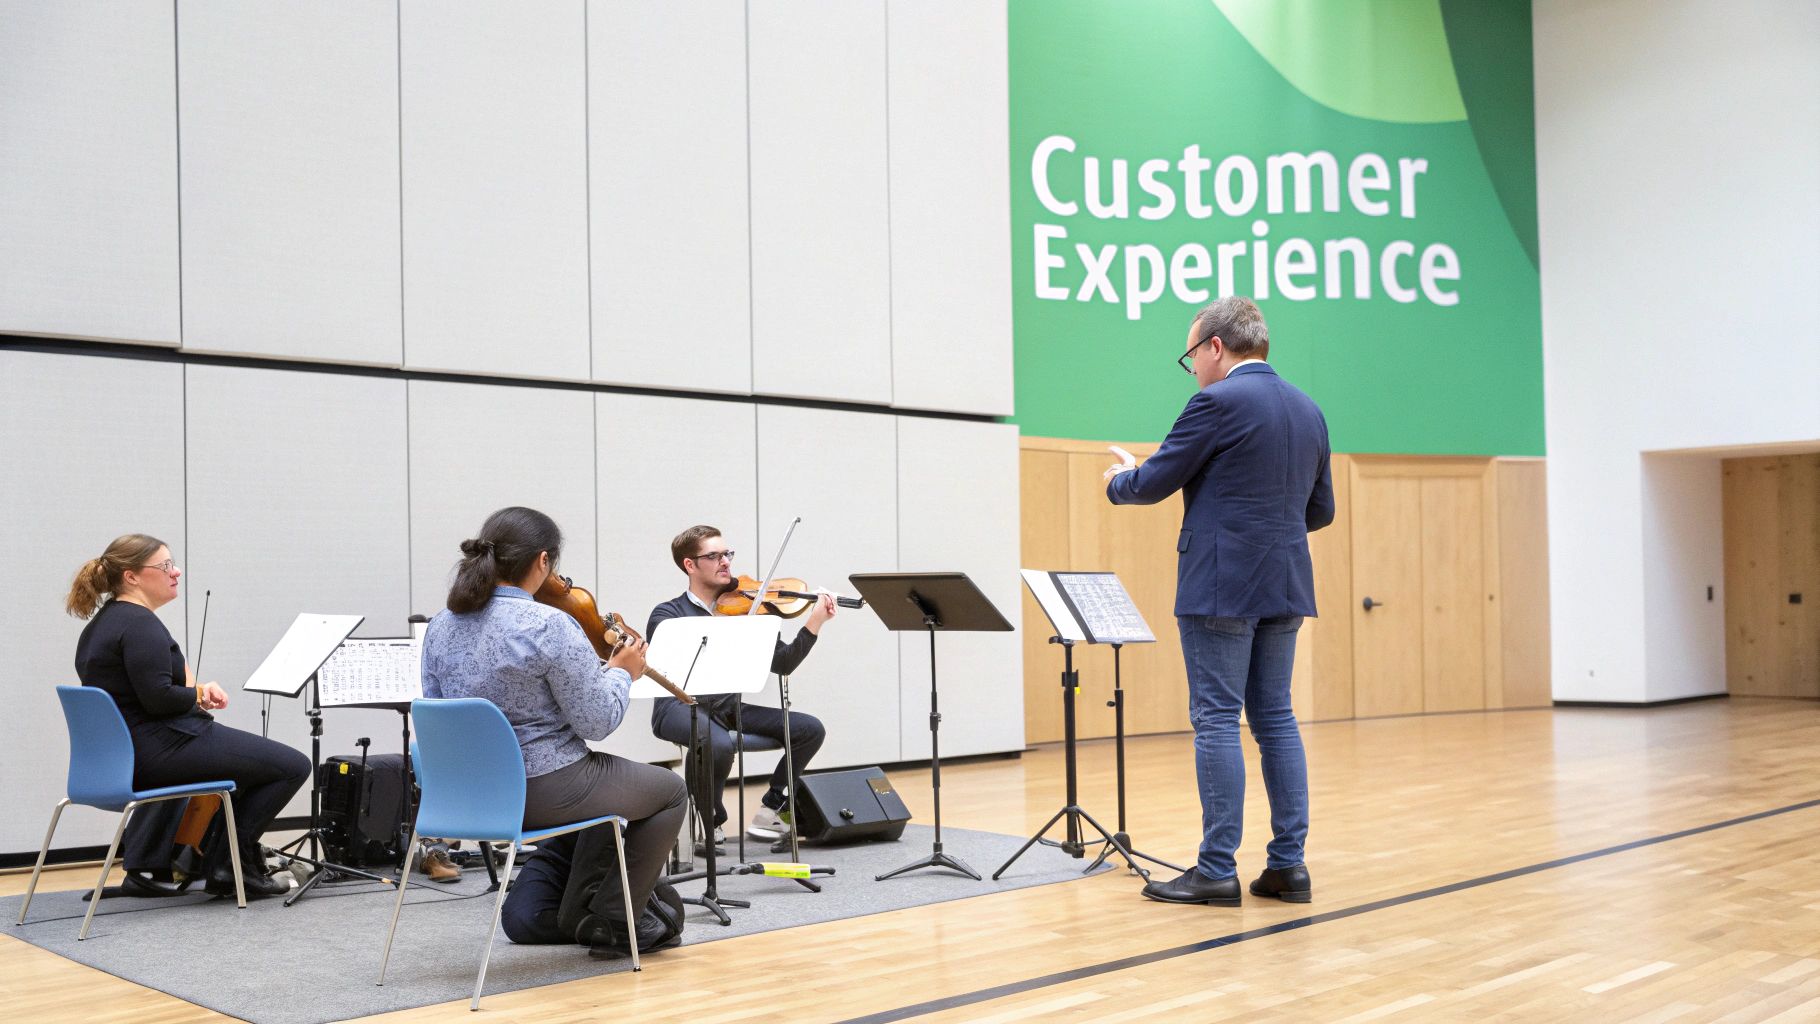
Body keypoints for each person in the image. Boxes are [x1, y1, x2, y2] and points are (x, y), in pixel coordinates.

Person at [1104, 297, 1334, 907]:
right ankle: (1289, 866)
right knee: (1276, 720)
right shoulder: (1309, 410)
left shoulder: (1215, 401)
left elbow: (1152, 484)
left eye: (1191, 356)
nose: (1194, 370)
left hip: (1220, 586)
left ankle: (1215, 869)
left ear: (1213, 346)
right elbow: (1321, 510)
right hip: (1284, 582)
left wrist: (1117, 482)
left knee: (1216, 718)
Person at [420, 506, 688, 956]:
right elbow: (597, 722)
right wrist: (622, 672)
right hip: (543, 790)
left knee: (609, 796)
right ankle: (618, 919)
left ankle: (590, 905)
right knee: (669, 792)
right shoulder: (549, 625)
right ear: (543, 562)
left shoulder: (441, 626)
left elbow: (440, 707)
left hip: (466, 796)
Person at [68, 533, 310, 898]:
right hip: (162, 748)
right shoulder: (138, 623)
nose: (176, 571)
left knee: (255, 765)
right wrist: (197, 693)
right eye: (165, 566)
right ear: (132, 576)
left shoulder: (102, 624)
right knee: (293, 766)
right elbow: (158, 699)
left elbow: (143, 694)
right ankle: (231, 866)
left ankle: (207, 863)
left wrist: (191, 693)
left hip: (129, 754)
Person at [648, 525, 834, 845]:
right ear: (689, 565)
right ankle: (710, 818)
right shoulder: (668, 613)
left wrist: (814, 622)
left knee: (809, 729)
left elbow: (784, 663)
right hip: (679, 705)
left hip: (727, 707)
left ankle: (774, 806)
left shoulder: (746, 610)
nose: (725, 563)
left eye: (727, 554)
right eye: (714, 556)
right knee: (718, 743)